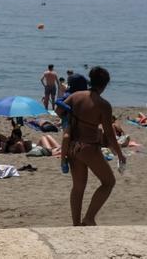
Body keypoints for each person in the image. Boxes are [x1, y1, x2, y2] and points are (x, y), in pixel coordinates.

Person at [63, 66, 126, 227]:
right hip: (89, 147)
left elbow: (59, 110)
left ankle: (76, 224)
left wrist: (73, 120)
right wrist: (119, 154)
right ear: (105, 85)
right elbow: (110, 134)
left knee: (78, 187)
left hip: (72, 146)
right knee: (108, 182)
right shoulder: (103, 105)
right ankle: (89, 217)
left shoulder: (75, 96)